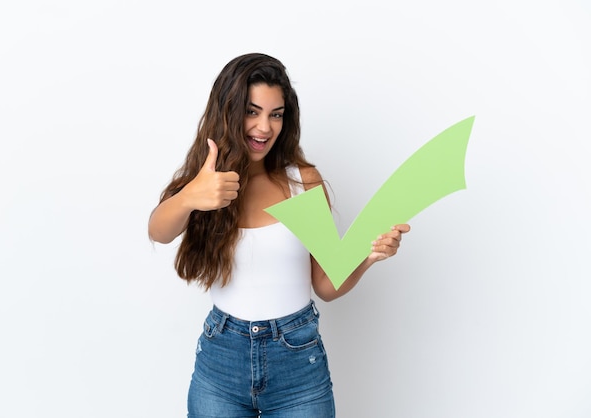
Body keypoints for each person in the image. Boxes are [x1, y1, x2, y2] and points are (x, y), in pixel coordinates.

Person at [148, 52, 410, 417]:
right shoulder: (209, 182)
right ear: (228, 111)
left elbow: (325, 286)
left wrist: (369, 256)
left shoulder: (302, 182)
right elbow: (158, 231)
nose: (264, 128)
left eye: (276, 114)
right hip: (220, 361)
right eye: (252, 111)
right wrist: (192, 196)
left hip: (298, 366)